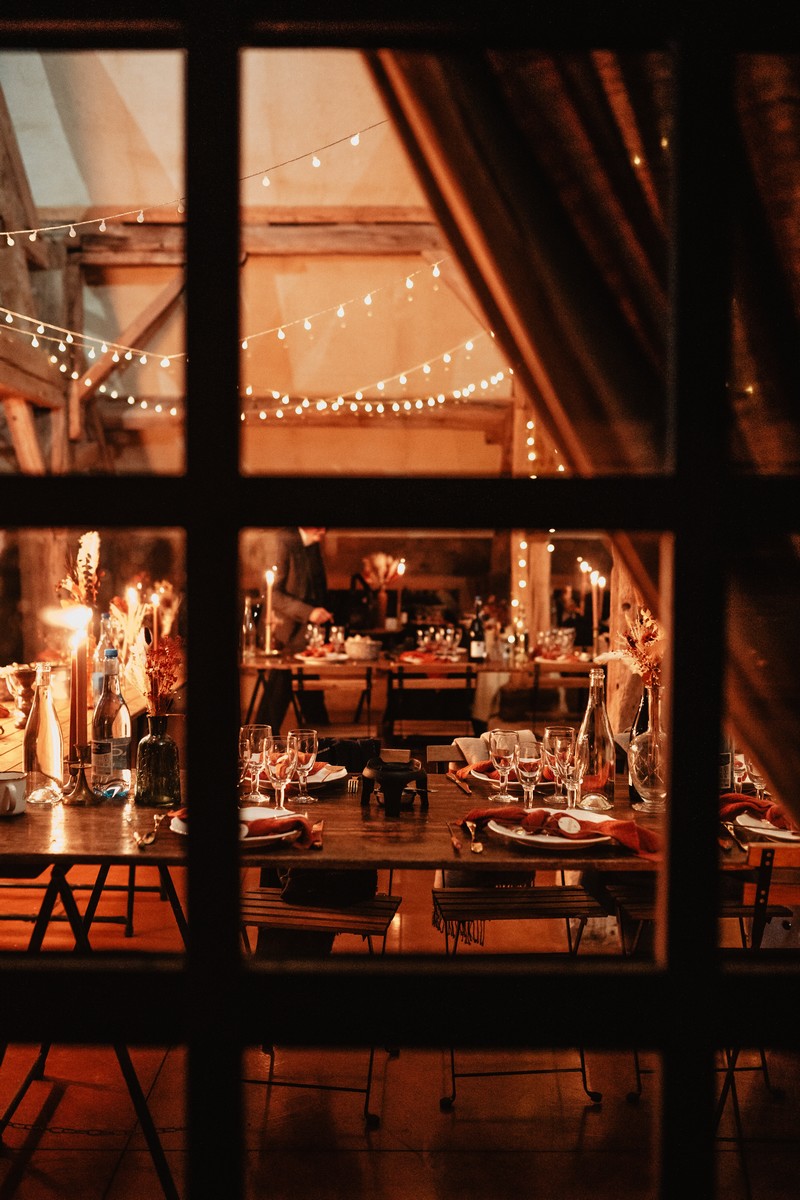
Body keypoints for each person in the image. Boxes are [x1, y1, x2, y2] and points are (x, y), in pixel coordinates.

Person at [254, 527, 334, 733]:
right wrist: (309, 612)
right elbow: (271, 593)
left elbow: (317, 589)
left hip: (306, 635)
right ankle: (260, 742)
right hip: (282, 632)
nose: (324, 531)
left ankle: (322, 741)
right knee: (280, 689)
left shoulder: (313, 546)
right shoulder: (283, 540)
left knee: (308, 691)